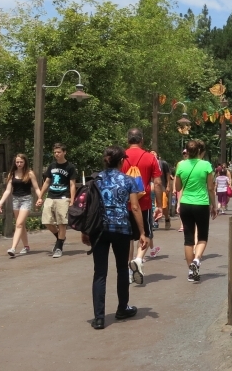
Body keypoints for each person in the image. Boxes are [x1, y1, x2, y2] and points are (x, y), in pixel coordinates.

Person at [82, 145, 147, 330]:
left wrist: (85, 231)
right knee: (121, 269)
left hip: (98, 229)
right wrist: (142, 232)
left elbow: (88, 206)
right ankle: (122, 308)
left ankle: (99, 318)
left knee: (100, 272)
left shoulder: (96, 179)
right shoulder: (128, 180)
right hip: (121, 229)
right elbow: (135, 207)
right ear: (121, 161)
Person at [121, 128, 162, 287]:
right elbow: (157, 183)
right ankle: (138, 259)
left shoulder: (121, 157)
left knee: (128, 238)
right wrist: (159, 204)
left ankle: (128, 272)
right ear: (142, 140)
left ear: (128, 140)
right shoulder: (150, 157)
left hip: (125, 203)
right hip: (143, 203)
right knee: (147, 233)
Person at [174, 139, 216, 283]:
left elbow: (178, 188)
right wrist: (214, 205)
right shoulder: (206, 165)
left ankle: (190, 272)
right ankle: (196, 260)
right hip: (201, 203)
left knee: (188, 238)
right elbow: (210, 188)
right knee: (202, 236)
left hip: (185, 203)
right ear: (199, 151)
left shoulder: (181, 165)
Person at [0, 154, 42, 257]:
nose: (19, 164)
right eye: (17, 162)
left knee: (19, 224)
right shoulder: (12, 174)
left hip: (26, 199)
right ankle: (26, 246)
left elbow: (37, 188)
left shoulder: (30, 173)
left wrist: (40, 198)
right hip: (15, 200)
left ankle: (13, 248)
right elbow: (7, 191)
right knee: (21, 225)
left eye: (21, 162)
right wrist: (0, 203)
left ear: (25, 162)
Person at [36, 143, 78, 258]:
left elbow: (72, 184)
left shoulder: (70, 167)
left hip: (64, 197)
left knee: (61, 222)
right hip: (51, 195)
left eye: (59, 152)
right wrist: (40, 196)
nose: (56, 154)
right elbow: (47, 182)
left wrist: (72, 200)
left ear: (64, 152)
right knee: (46, 221)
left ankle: (59, 246)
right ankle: (60, 237)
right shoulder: (52, 166)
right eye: (55, 152)